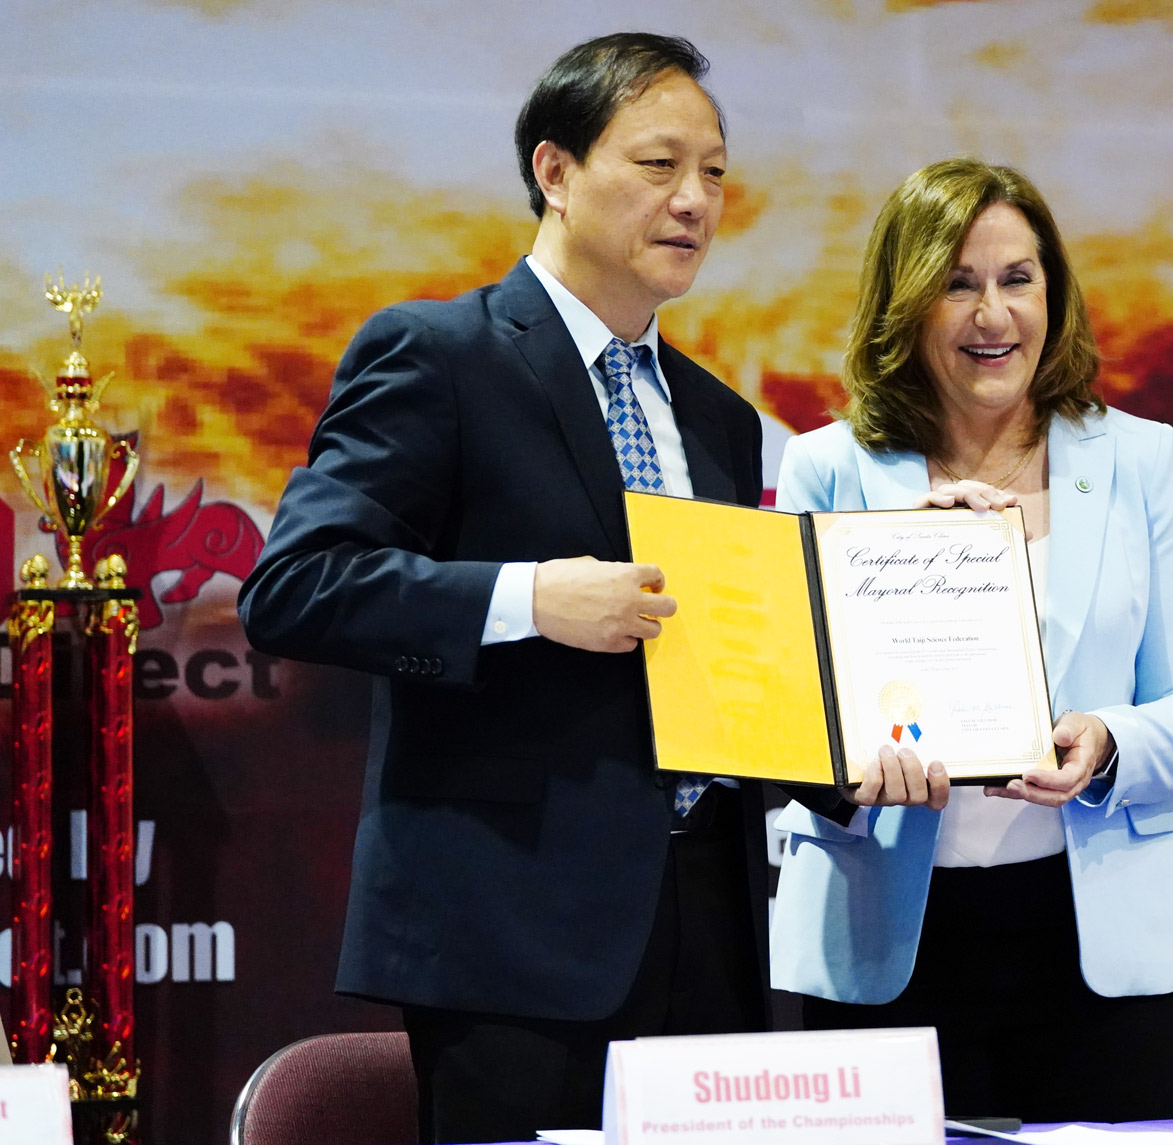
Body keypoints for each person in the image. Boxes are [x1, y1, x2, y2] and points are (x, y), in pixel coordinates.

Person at [238, 33, 844, 1143]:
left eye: (714, 172)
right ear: (555, 171)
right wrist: (526, 599)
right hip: (509, 930)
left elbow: (724, 664)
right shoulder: (439, 354)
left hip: (711, 922)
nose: (694, 200)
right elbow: (297, 585)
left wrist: (862, 755)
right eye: (658, 164)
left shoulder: (717, 415)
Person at [768, 158, 1173, 1122]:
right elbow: (781, 710)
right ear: (905, 304)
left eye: (1017, 278)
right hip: (883, 941)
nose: (994, 315)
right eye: (957, 283)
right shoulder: (826, 468)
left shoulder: (1138, 459)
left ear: (1053, 295)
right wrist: (854, 762)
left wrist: (1108, 741)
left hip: (1107, 938)